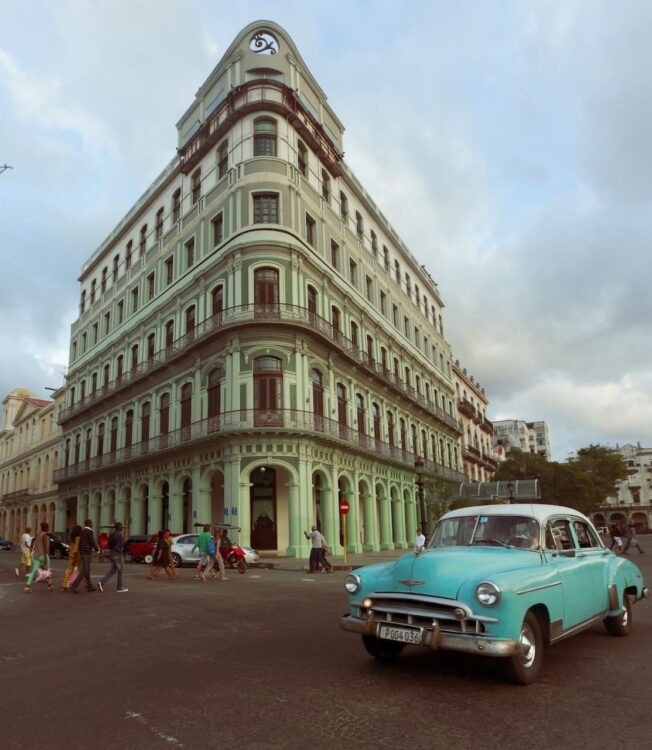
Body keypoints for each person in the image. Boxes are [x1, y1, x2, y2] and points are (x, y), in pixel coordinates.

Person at [70, 519, 101, 593]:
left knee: (87, 570)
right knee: (85, 570)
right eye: (92, 523)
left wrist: (80, 553)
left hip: (83, 553)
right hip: (87, 553)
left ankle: (89, 586)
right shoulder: (89, 531)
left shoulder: (82, 532)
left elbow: (80, 543)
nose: (92, 525)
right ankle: (74, 585)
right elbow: (92, 541)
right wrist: (98, 550)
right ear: (89, 524)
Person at [97, 522, 128, 592]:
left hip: (112, 554)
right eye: (121, 527)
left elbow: (109, 544)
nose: (122, 528)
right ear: (119, 528)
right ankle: (119, 587)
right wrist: (121, 553)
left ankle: (101, 583)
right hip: (117, 555)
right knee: (120, 571)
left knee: (113, 571)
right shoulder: (118, 535)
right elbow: (117, 546)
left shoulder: (112, 535)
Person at [24, 522, 52, 593]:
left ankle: (27, 586)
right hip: (43, 555)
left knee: (33, 571)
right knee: (49, 570)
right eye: (48, 527)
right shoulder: (44, 536)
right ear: (46, 528)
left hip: (37, 555)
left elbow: (35, 545)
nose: (48, 528)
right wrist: (46, 558)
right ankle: (50, 585)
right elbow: (45, 548)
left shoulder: (38, 534)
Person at [61, 525, 84, 591]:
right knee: (82, 570)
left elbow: (71, 548)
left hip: (71, 555)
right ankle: (86, 584)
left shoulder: (72, 538)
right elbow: (76, 549)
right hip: (77, 556)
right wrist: (75, 558)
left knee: (69, 571)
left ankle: (64, 585)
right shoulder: (78, 538)